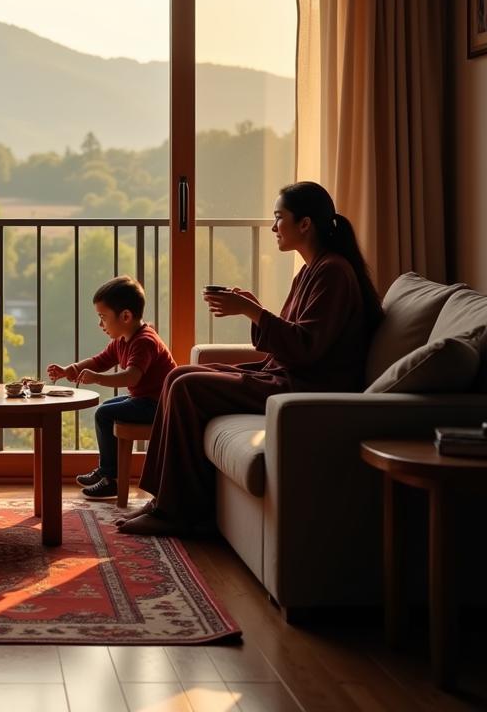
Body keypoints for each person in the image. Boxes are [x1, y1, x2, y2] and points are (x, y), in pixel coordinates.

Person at [117, 181, 383, 537]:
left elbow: (305, 346)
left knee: (186, 387)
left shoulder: (333, 271)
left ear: (304, 224)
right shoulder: (311, 269)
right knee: (178, 376)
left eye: (279, 218)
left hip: (305, 387)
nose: (274, 228)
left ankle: (176, 511)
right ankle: (165, 500)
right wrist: (254, 309)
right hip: (288, 375)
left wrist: (252, 312)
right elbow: (292, 337)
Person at [46, 275, 176, 501]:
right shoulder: (123, 339)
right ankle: (107, 472)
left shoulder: (144, 341)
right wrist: (70, 369)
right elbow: (99, 360)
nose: (100, 324)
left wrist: (97, 379)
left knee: (105, 413)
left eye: (103, 318)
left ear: (125, 316)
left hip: (161, 405)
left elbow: (132, 377)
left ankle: (109, 478)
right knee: (107, 408)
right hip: (147, 401)